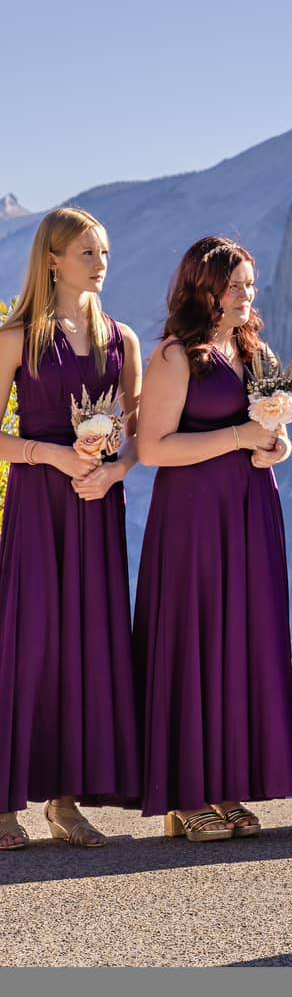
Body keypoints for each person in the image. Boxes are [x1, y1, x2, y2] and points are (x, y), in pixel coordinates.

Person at [133, 237, 292, 840]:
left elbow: (274, 434)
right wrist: (237, 439)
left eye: (249, 284)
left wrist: (278, 446)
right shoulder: (176, 355)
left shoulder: (257, 351)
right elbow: (153, 448)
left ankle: (227, 787)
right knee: (195, 638)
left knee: (240, 642)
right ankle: (185, 794)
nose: (245, 295)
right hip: (194, 516)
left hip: (252, 511)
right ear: (203, 289)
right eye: (233, 286)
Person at [0, 208, 143, 847]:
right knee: (27, 645)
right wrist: (51, 455)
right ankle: (3, 804)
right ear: (53, 260)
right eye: (88, 252)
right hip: (38, 503)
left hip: (96, 504)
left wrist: (115, 473)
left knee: (86, 645)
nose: (101, 263)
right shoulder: (16, 338)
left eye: (104, 251)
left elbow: (139, 433)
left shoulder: (123, 339)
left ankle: (65, 802)